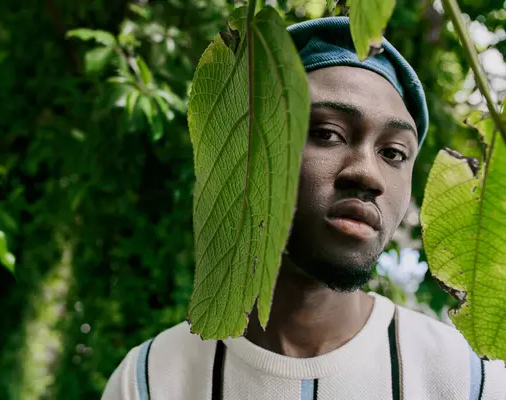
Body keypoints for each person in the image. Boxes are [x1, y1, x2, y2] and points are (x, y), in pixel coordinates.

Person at [102, 16, 506, 400]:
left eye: (394, 153)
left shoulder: (467, 379)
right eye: (327, 133)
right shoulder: (151, 380)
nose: (369, 174)